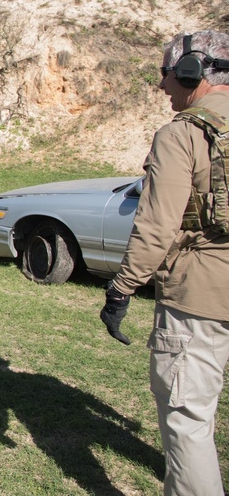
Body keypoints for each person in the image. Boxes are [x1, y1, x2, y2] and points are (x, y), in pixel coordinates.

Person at [100, 30, 229, 495]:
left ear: (192, 71)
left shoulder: (184, 135)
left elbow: (156, 228)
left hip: (202, 298)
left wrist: (121, 290)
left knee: (188, 418)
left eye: (166, 74)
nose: (162, 86)